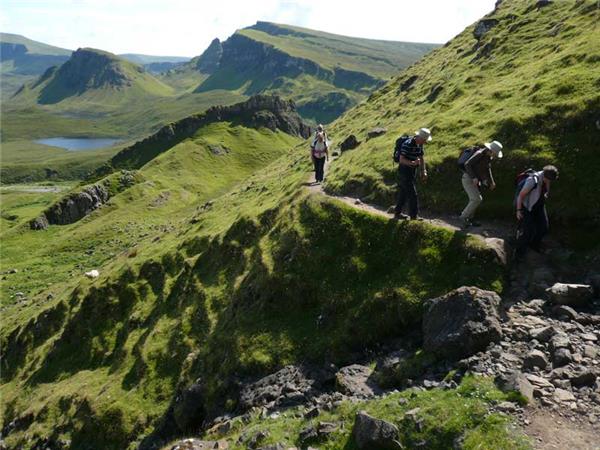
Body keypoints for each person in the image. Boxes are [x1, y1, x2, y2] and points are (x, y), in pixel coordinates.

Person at [515, 165, 559, 257]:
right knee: (527, 231)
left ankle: (534, 245)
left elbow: (547, 185)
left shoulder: (547, 177)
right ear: (545, 176)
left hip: (539, 204)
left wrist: (546, 193)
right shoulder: (532, 181)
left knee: (544, 227)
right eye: (549, 180)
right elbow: (520, 196)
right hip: (526, 205)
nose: (550, 181)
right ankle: (519, 253)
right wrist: (519, 210)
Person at [459, 140, 503, 228]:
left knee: (474, 199)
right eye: (495, 153)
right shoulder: (479, 154)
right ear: (491, 151)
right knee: (476, 199)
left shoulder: (488, 157)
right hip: (468, 178)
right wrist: (474, 177)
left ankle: (470, 219)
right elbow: (467, 164)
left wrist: (492, 181)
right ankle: (463, 217)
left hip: (475, 180)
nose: (495, 155)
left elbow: (488, 169)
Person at [394, 127, 430, 220]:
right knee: (412, 194)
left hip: (412, 171)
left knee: (404, 192)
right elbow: (402, 160)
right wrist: (412, 163)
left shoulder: (419, 145)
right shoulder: (408, 144)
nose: (425, 142)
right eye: (425, 140)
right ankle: (414, 216)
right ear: (420, 138)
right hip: (404, 170)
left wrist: (423, 171)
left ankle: (397, 212)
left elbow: (421, 157)